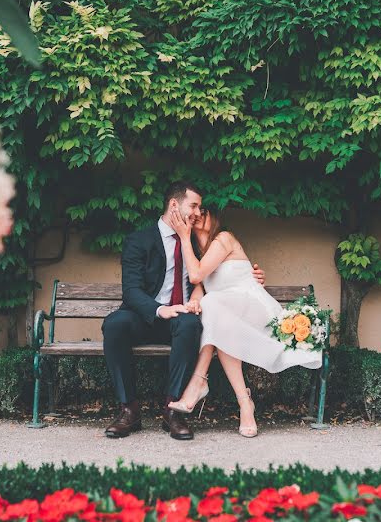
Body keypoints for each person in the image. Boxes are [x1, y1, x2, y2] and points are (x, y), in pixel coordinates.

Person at [102, 181, 265, 440]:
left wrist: (250, 276)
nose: (197, 213)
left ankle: (173, 411)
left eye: (200, 208)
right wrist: (159, 310)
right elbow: (131, 291)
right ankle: (128, 409)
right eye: (194, 206)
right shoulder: (139, 240)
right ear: (174, 205)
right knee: (114, 324)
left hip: (183, 321)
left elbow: (215, 276)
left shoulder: (200, 245)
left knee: (190, 325)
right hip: (147, 316)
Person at [166, 207, 322, 437]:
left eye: (205, 212)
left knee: (215, 309)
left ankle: (198, 383)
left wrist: (183, 237)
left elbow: (197, 275)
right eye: (195, 212)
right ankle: (245, 404)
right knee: (219, 320)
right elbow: (199, 289)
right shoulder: (198, 258)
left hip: (255, 309)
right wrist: (194, 303)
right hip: (228, 316)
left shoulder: (224, 238)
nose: (198, 215)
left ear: (215, 217)